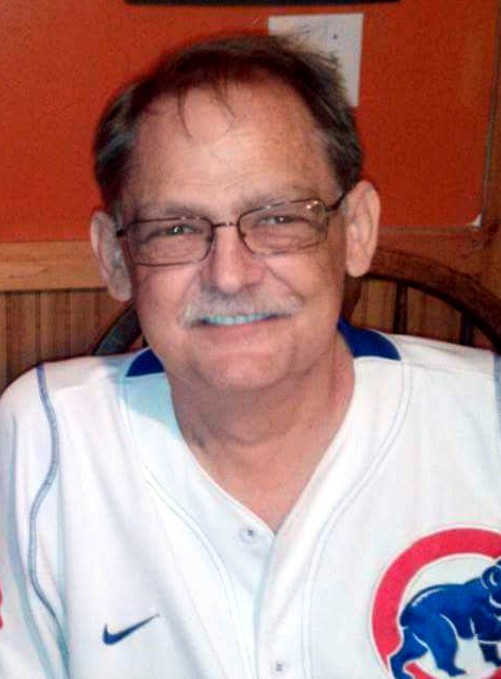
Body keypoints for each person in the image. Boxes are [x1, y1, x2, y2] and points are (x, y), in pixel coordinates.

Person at [1, 33, 500, 679]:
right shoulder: (45, 440)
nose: (230, 274)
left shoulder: (486, 422)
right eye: (175, 228)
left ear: (356, 231)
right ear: (115, 258)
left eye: (279, 218)